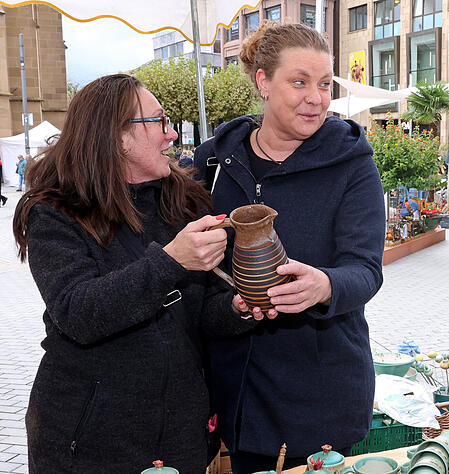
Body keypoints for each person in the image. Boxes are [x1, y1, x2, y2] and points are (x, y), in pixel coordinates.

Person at [12, 74, 262, 473]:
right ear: (117, 136)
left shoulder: (186, 200)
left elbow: (199, 314)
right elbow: (77, 313)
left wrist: (238, 308)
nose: (172, 134)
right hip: (87, 444)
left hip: (179, 437)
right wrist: (171, 261)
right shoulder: (55, 211)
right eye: (160, 122)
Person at [193, 22, 384, 473]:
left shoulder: (352, 164)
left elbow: (366, 270)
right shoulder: (214, 163)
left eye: (323, 84)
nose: (315, 98)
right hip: (236, 388)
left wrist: (324, 285)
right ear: (263, 81)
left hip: (319, 388)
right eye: (299, 82)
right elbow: (189, 265)